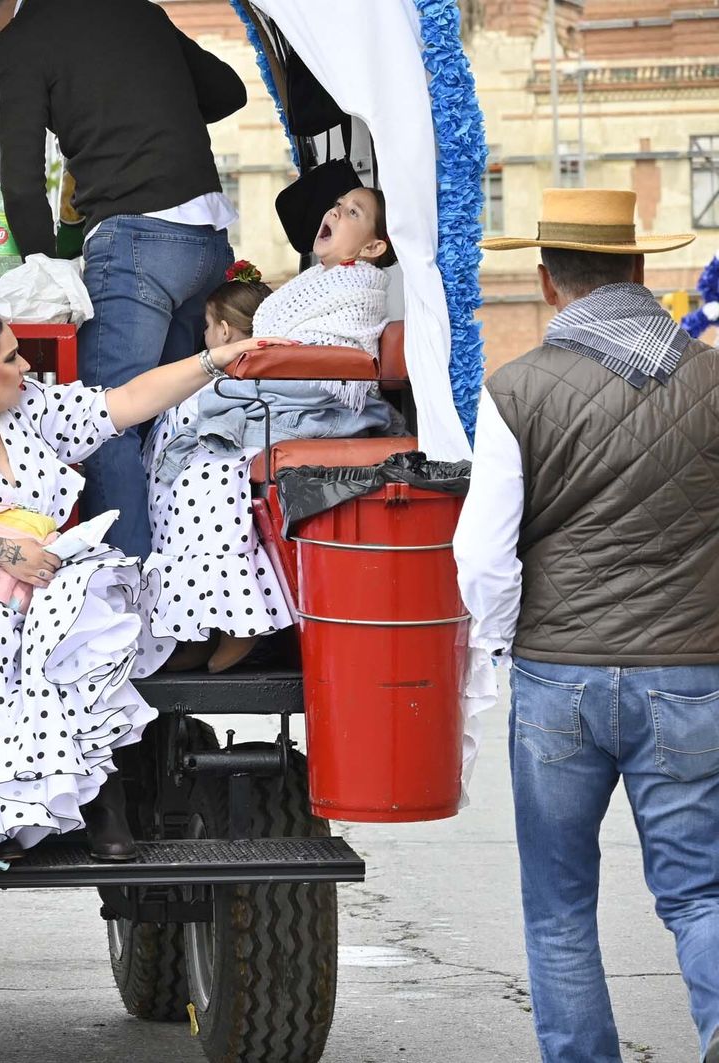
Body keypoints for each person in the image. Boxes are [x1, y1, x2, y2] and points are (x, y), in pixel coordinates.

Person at [0, 283, 288, 861]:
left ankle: (103, 798)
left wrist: (213, 360)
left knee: (88, 612)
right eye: (12, 358)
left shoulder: (30, 409)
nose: (26, 367)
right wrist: (2, 553)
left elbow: (126, 402)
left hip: (47, 573)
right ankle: (3, 809)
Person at [455, 188, 718, 1063]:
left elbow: (484, 557)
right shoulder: (713, 379)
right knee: (700, 893)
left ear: (546, 280)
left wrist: (495, 649)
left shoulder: (516, 387)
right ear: (641, 270)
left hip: (558, 675)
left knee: (560, 905)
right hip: (690, 674)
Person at [0, 0, 247, 559]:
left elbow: (18, 184)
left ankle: (129, 615)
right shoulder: (134, 9)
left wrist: (47, 271)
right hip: (208, 239)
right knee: (170, 422)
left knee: (103, 422)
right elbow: (226, 92)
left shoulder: (19, 42)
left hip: (135, 240)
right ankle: (191, 597)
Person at [148, 186, 399, 673]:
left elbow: (326, 363)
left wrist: (251, 377)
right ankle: (194, 622)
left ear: (372, 248)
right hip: (284, 389)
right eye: (337, 203)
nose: (334, 211)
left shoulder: (358, 288)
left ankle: (239, 622)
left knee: (207, 480)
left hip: (317, 405)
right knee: (177, 477)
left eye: (352, 212)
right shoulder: (320, 281)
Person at [143, 262, 291, 673]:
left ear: (224, 331)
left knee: (201, 495)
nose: (205, 336)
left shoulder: (228, 379)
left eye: (208, 326)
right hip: (189, 461)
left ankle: (237, 624)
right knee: (169, 506)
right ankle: (196, 631)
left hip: (220, 459)